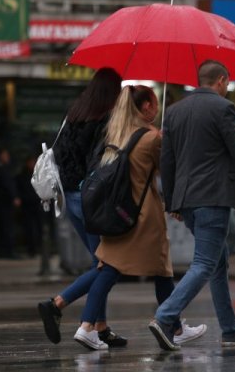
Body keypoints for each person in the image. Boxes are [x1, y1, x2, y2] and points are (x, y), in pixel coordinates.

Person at [150, 60, 235, 351]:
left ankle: (230, 328)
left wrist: (172, 201)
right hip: (212, 197)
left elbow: (166, 161)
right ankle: (166, 316)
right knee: (206, 263)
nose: (228, 89)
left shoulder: (174, 111)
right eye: (228, 84)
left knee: (218, 262)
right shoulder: (223, 108)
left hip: (187, 198)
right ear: (221, 80)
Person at [72, 85, 207, 350]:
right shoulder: (151, 137)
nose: (156, 108)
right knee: (154, 269)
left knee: (121, 268)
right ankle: (89, 326)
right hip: (144, 214)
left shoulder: (119, 132)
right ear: (146, 107)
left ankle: (174, 326)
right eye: (154, 103)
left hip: (120, 212)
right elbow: (168, 171)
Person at [37, 68, 125, 347]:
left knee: (97, 260)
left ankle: (100, 326)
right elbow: (100, 161)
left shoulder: (74, 112)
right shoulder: (105, 119)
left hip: (68, 196)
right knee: (109, 263)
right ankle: (57, 304)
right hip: (89, 198)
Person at [0, 147, 22, 259]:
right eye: (5, 154)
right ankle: (8, 251)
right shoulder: (1, 170)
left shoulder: (5, 169)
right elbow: (7, 185)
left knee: (8, 226)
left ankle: (9, 250)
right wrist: (14, 197)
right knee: (7, 227)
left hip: (6, 203)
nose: (7, 157)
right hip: (4, 203)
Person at [15, 155, 43, 257]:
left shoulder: (38, 174)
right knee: (29, 228)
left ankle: (41, 249)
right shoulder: (22, 176)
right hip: (27, 205)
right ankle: (32, 249)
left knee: (39, 227)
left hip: (37, 203)